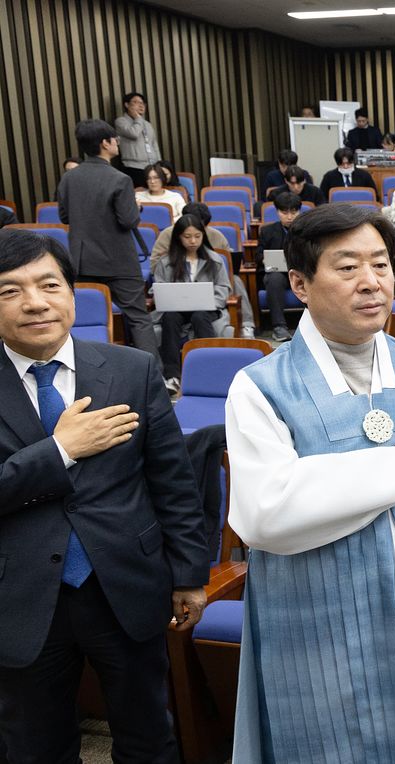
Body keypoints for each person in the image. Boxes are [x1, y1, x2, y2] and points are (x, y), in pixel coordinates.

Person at [224, 202, 395, 761]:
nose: (371, 282)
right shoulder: (259, 386)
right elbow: (261, 514)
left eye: (380, 264)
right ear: (299, 283)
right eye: (347, 268)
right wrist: (389, 473)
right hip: (318, 621)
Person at [0, 228, 208, 762]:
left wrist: (188, 574)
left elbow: (172, 483)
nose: (35, 302)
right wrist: (60, 450)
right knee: (35, 745)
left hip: (125, 584)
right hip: (19, 595)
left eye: (49, 284)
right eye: (9, 291)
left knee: (147, 736)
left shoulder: (130, 368)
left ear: (72, 294)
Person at [57, 119, 159, 360]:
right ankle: (153, 376)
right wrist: (136, 207)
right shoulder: (119, 179)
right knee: (138, 318)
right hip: (118, 259)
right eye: (115, 139)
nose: (118, 143)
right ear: (105, 143)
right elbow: (128, 221)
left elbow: (63, 216)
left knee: (83, 319)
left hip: (81, 260)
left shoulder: (69, 178)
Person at [151, 216, 231, 390]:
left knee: (200, 316)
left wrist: (212, 301)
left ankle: (210, 369)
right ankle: (172, 376)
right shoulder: (166, 262)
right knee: (170, 318)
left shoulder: (214, 260)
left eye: (197, 236)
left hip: (207, 309)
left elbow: (224, 288)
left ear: (203, 235)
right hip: (175, 309)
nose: (193, 241)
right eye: (187, 237)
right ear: (178, 237)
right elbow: (158, 288)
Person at [255, 191, 301, 341]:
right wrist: (264, 259)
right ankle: (279, 327)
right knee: (273, 278)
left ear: (299, 211)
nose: (289, 217)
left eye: (293, 212)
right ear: (277, 212)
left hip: (301, 272)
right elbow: (258, 254)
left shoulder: (306, 230)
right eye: (284, 212)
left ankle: (317, 324)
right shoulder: (267, 231)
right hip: (278, 274)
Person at [114, 92, 161, 188]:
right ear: (127, 105)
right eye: (136, 102)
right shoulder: (121, 121)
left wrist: (159, 164)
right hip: (133, 167)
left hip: (151, 166)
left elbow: (154, 145)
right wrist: (138, 118)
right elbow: (133, 133)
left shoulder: (147, 124)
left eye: (142, 103)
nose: (140, 106)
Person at [151, 201, 230, 259]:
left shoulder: (217, 235)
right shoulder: (167, 234)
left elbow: (228, 260)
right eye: (187, 236)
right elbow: (155, 261)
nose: (193, 241)